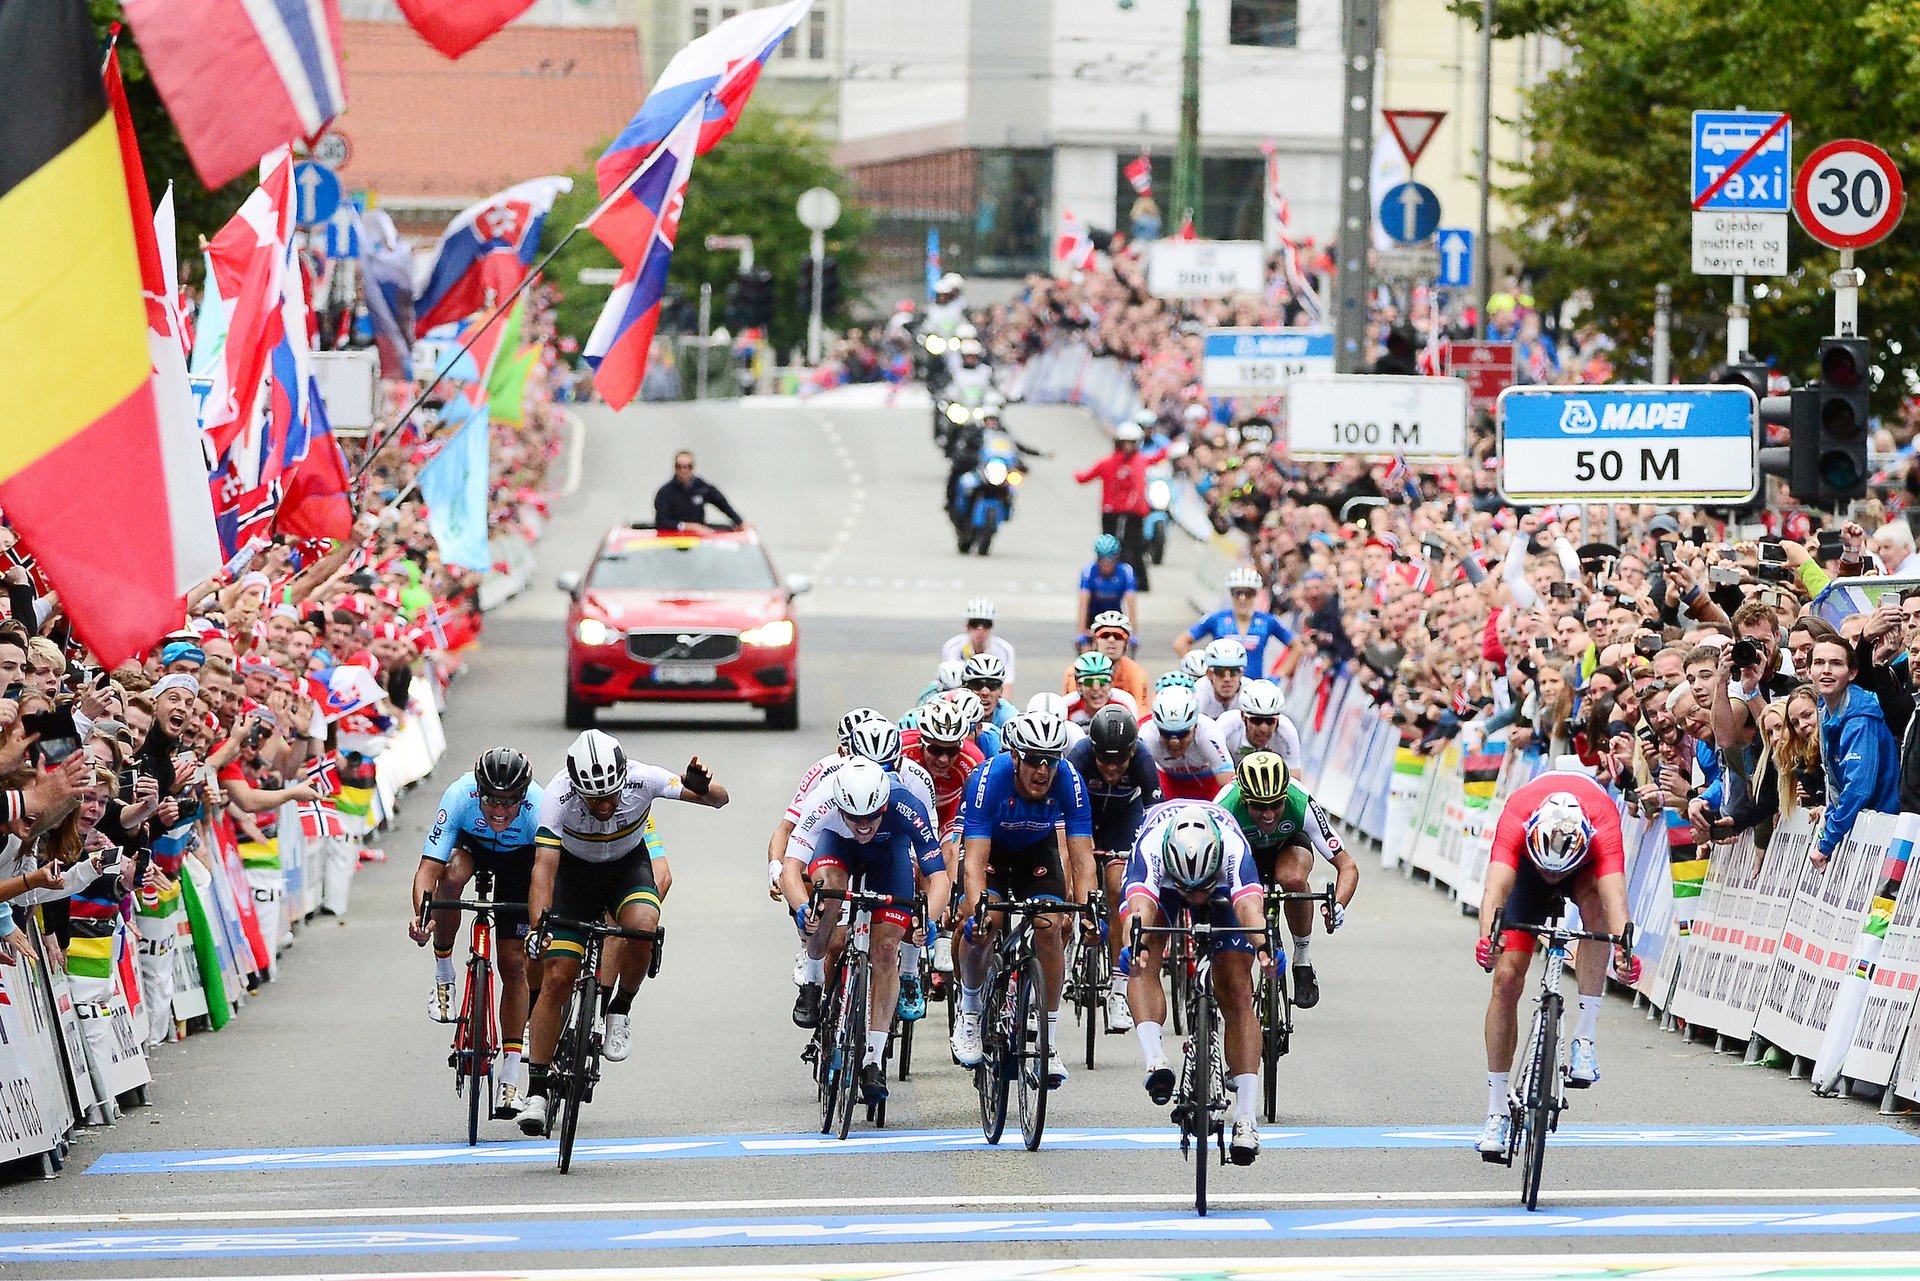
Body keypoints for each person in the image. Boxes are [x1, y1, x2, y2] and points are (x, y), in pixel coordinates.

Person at [518, 731, 730, 1136]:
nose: (605, 806)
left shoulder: (644, 778)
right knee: (558, 976)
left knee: (643, 928)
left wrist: (704, 788)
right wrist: (537, 927)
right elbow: (543, 869)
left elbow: (721, 801)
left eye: (610, 796)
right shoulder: (557, 796)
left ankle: (620, 1008)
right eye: (594, 799)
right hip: (573, 879)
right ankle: (537, 1092)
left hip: (625, 870)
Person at [1474, 767, 1637, 1159]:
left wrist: (1625, 952)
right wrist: (1488, 941)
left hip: (1583, 869)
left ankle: (1585, 1037)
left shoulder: (1602, 822)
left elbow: (1616, 898)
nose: (1552, 876)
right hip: (1526, 871)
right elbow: (1495, 890)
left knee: (1597, 908)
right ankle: (1496, 1111)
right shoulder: (1518, 815)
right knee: (1506, 980)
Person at [779, 759, 950, 1103]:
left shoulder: (906, 805)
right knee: (827, 897)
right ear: (840, 806)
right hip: (836, 848)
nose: (863, 825)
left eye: (871, 816)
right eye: (854, 817)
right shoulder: (823, 801)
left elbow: (939, 877)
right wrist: (802, 909)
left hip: (888, 856)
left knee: (886, 950)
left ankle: (873, 1059)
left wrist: (927, 920)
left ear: (884, 806)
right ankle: (813, 980)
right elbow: (791, 869)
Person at [1123, 799, 1273, 1164]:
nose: (1196, 898)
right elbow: (1138, 910)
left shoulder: (1233, 849)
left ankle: (1246, 1118)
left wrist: (1265, 947)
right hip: (1164, 885)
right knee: (1144, 953)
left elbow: (1249, 909)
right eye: (1189, 890)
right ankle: (1155, 1060)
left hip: (1224, 887)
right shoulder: (1152, 847)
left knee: (1237, 988)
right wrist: (1133, 945)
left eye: (1201, 888)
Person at [951, 711, 1093, 1088]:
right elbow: (974, 862)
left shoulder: (1069, 780)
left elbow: (1082, 857)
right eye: (1033, 759)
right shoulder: (987, 779)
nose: (1043, 770)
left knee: (1051, 925)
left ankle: (1047, 1040)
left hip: (1035, 852)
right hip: (991, 852)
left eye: (1051, 760)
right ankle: (970, 1011)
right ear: (1015, 757)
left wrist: (1089, 908)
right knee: (987, 925)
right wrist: (979, 907)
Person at [409, 748, 541, 1117]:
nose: (499, 811)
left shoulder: (539, 809)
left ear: (523, 796)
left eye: (509, 802)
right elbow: (427, 869)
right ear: (478, 791)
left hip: (521, 860)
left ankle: (510, 1079)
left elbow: (547, 876)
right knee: (451, 875)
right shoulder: (458, 795)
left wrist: (538, 926)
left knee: (513, 964)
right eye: (491, 800)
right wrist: (422, 916)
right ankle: (444, 975)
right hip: (472, 847)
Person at [1214, 751, 1358, 1009]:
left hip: (1288, 845)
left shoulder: (1300, 800)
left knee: (1292, 879)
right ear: (1244, 800)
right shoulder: (1225, 806)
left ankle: (1302, 959)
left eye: (1276, 805)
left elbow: (1347, 866)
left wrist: (1338, 904)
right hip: (1244, 851)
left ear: (1285, 797)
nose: (1269, 814)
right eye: (1259, 807)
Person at [1065, 703, 1163, 1030]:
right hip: (1083, 818)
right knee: (1072, 883)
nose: (1110, 767)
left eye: (1119, 760)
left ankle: (1119, 990)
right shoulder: (1078, 757)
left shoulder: (1144, 760)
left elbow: (1156, 818)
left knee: (1117, 885)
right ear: (1093, 750)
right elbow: (1062, 812)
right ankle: (1070, 943)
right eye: (1103, 759)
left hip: (1123, 820)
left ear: (1131, 751)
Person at [1808, 637, 1899, 868]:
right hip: (1861, 831)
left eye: (1836, 663)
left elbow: (1858, 789)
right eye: (1819, 663)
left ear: (1852, 673)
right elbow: (1835, 783)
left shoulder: (1860, 721)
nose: (1826, 670)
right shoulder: (1825, 708)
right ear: (1809, 671)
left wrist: (1826, 842)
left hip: (1882, 833)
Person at [1074, 418, 1166, 590]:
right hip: (1112, 512)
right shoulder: (1108, 463)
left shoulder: (1140, 461)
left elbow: (1158, 458)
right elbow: (1084, 477)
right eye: (1125, 443)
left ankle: (1139, 582)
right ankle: (1104, 580)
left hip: (1134, 513)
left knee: (1135, 548)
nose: (1128, 447)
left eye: (1131, 443)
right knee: (1108, 547)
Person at [1177, 568, 1294, 679]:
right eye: (1237, 593)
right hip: (1221, 686)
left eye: (1248, 593)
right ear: (1231, 594)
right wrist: (1198, 669)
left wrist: (1279, 675)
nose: (1242, 598)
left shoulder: (1268, 621)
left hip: (1252, 686)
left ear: (1256, 594)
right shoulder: (1216, 618)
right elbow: (1180, 643)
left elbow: (1297, 647)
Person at [1138, 684, 1234, 802]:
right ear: (1157, 728)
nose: (1174, 743)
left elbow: (1228, 785)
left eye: (1182, 734)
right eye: (1166, 733)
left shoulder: (1209, 733)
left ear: (1195, 727)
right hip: (1170, 784)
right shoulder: (1148, 735)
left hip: (1209, 786)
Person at [1061, 612, 1152, 709]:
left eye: (1118, 636)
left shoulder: (1137, 673)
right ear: (1094, 641)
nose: (1111, 640)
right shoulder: (1075, 670)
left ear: (1126, 644)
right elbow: (1069, 709)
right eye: (1104, 635)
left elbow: (1141, 710)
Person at [1215, 679, 1303, 768]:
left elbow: (1293, 774)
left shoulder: (1287, 732)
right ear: (1243, 716)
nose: (1263, 729)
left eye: (1270, 721)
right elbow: (1215, 768)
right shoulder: (1226, 726)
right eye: (1256, 720)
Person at [652, 451, 744, 532]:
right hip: (673, 538)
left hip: (698, 538)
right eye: (679, 467)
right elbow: (662, 521)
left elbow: (722, 503)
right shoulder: (665, 492)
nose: (684, 470)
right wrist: (689, 527)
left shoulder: (702, 487)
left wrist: (740, 522)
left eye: (688, 466)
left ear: (693, 468)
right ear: (675, 468)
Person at [941, 599, 1017, 686]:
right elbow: (949, 682)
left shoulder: (1004, 650)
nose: (980, 630)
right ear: (967, 626)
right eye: (975, 624)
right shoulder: (952, 647)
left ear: (992, 627)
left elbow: (1006, 686)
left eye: (986, 624)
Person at [1078, 535, 1139, 637]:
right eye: (1102, 559)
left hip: (1115, 614)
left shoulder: (1126, 571)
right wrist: (1081, 631)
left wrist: (1133, 633)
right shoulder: (1089, 571)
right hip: (1093, 615)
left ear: (1116, 558)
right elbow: (1083, 602)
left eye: (1111, 559)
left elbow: (1131, 603)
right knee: (1087, 642)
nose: (1106, 563)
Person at [1063, 650, 1139, 726]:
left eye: (1103, 681)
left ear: (1111, 683)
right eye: (1089, 682)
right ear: (1078, 686)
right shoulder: (1066, 706)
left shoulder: (1125, 703)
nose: (1096, 688)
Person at [1196, 638, 1248, 719]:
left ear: (1241, 673)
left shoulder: (1250, 691)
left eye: (1234, 671)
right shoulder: (1199, 692)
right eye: (1220, 672)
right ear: (1209, 674)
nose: (1227, 679)